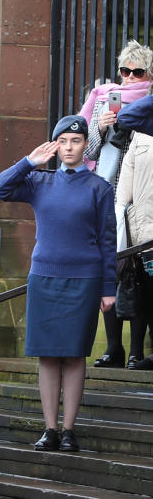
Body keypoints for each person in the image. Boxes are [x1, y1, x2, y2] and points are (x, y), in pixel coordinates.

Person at [0, 116, 116, 452]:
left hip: (84, 280)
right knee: (47, 356)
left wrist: (109, 287)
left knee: (74, 356)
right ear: (55, 146)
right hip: (45, 277)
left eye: (76, 141)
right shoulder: (38, 181)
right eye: (64, 141)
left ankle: (69, 429)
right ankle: (49, 428)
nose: (70, 148)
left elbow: (107, 241)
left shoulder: (99, 188)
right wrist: (28, 162)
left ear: (84, 146)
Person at [81, 40, 153, 367]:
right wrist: (100, 126)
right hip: (107, 194)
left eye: (138, 71)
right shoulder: (102, 101)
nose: (130, 77)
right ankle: (113, 348)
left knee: (137, 272)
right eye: (125, 70)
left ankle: (137, 348)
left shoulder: (148, 106)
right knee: (108, 271)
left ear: (148, 73)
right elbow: (86, 152)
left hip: (140, 199)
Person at [114, 110, 153, 369]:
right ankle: (137, 352)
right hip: (145, 232)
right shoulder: (141, 135)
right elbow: (122, 196)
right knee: (147, 293)